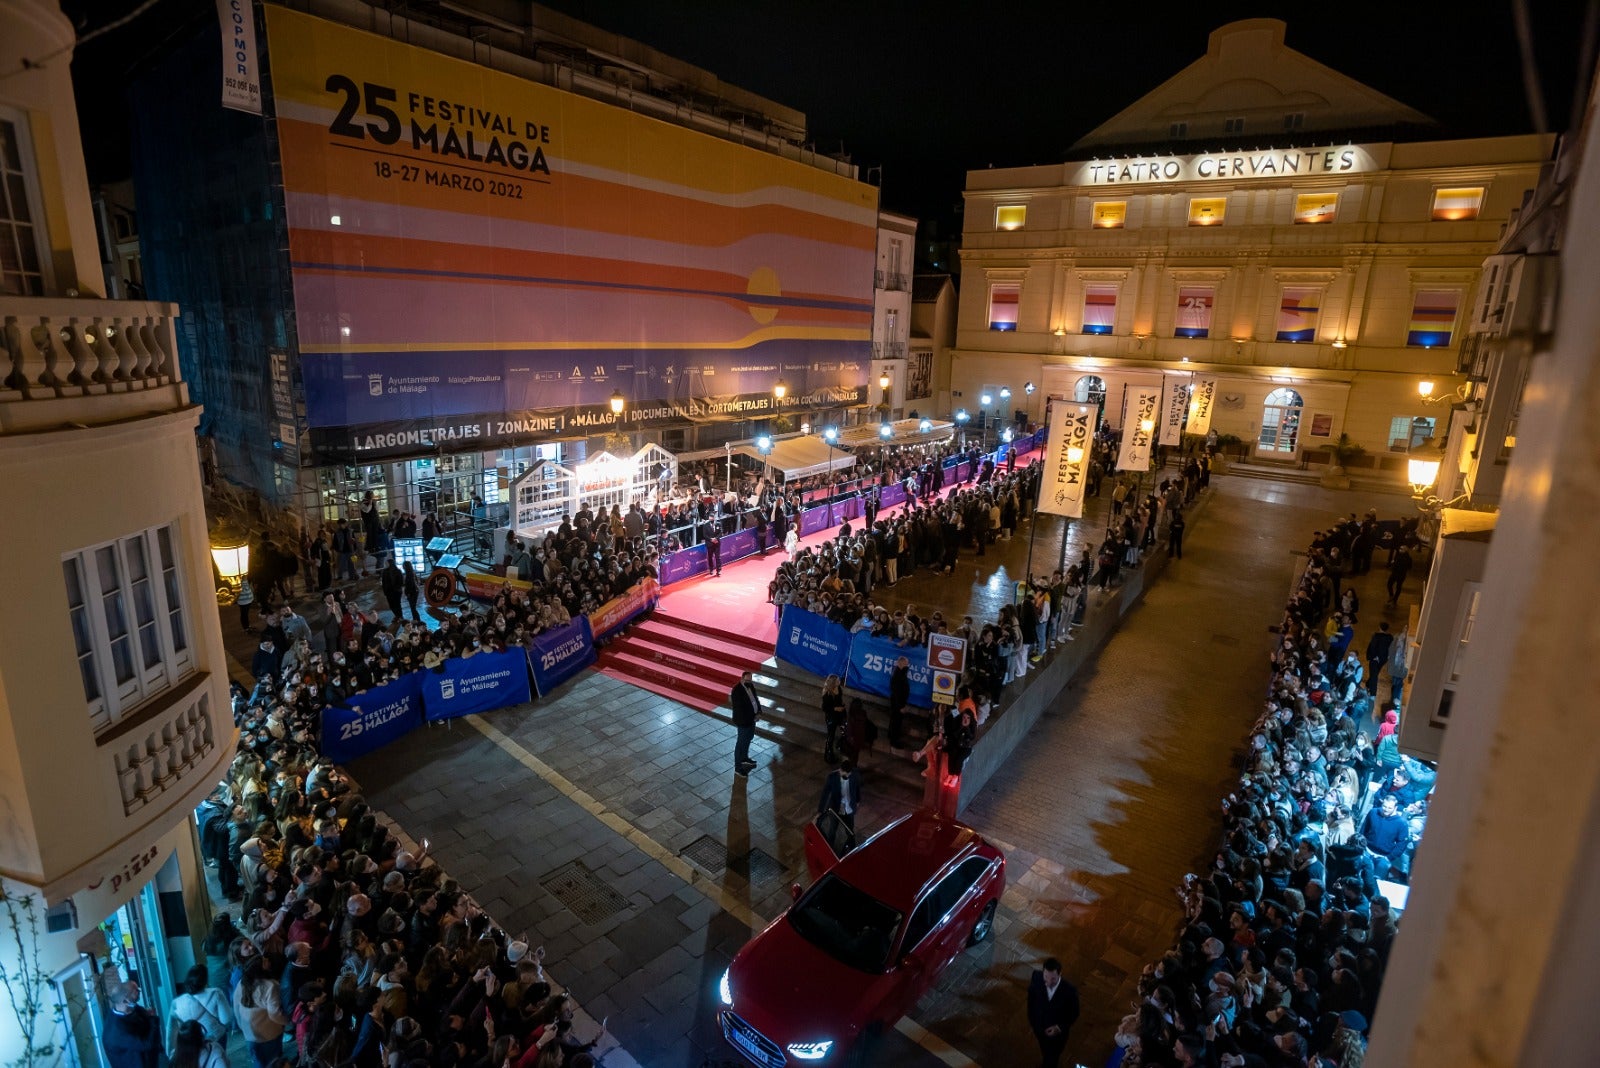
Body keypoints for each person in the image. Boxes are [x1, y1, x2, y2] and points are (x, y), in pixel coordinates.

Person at [1026, 957, 1079, 1068]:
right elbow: (1031, 1001)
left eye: (1053, 979)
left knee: (1052, 1057)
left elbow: (1074, 1013)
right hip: (1039, 1029)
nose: (1049, 982)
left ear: (1060, 974)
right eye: (1046, 977)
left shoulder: (1070, 991)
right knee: (1044, 1050)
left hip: (1057, 1037)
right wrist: (1033, 1022)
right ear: (1043, 972)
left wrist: (1059, 1028)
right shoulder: (1036, 977)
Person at [168, 965, 231, 1052]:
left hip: (192, 1041)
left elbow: (171, 1030)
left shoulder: (176, 1003)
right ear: (205, 980)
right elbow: (226, 1019)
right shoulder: (216, 993)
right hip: (216, 1037)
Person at [103, 981, 163, 1068]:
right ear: (125, 1000)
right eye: (135, 991)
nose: (139, 992)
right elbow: (147, 1044)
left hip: (152, 1058)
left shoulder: (130, 1007)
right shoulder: (117, 1031)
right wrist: (153, 1019)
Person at [817, 759, 861, 832]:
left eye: (848, 774)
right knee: (833, 829)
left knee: (850, 831)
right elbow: (825, 793)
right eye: (844, 773)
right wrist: (820, 810)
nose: (847, 776)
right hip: (836, 808)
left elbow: (857, 788)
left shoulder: (855, 775)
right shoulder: (832, 777)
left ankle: (850, 843)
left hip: (849, 808)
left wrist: (857, 801)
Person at [730, 670, 759, 775]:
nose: (749, 682)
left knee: (748, 738)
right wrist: (753, 716)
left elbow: (755, 700)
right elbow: (740, 709)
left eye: (750, 680)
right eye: (747, 680)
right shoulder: (737, 691)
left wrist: (758, 711)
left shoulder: (750, 686)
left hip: (752, 719)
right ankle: (738, 767)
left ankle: (745, 758)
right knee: (741, 743)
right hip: (743, 721)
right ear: (742, 679)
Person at [820, 674, 846, 763]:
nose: (839, 681)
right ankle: (828, 755)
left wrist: (841, 707)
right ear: (833, 683)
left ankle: (841, 745)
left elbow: (839, 699)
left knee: (844, 730)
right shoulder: (827, 694)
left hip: (840, 715)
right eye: (838, 680)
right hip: (831, 717)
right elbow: (824, 708)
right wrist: (835, 708)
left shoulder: (838, 688)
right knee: (830, 736)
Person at [1365, 622, 1395, 697]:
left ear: (1380, 627)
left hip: (1375, 659)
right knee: (1375, 672)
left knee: (1374, 675)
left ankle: (1372, 693)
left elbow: (1373, 647)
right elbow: (1391, 648)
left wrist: (1372, 656)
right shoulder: (1390, 637)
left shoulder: (1376, 636)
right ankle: (1368, 684)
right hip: (1383, 659)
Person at [887, 657, 911, 748]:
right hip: (898, 704)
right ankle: (894, 741)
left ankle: (892, 736)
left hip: (899, 702)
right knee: (896, 722)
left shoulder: (900, 673)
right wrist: (901, 706)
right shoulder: (897, 675)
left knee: (895, 721)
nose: (907, 666)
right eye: (906, 664)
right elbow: (897, 692)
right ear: (901, 664)